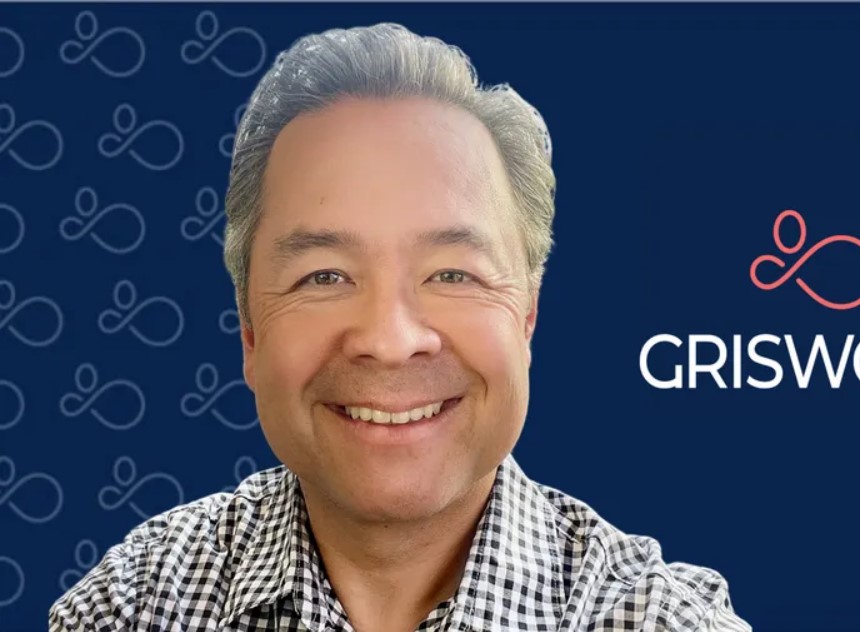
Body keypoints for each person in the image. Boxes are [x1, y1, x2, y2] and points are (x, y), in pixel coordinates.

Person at [49, 22, 752, 632]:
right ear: (250, 333)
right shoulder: (132, 606)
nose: (389, 339)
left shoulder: (659, 619)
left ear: (529, 316)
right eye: (324, 276)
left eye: (453, 274)